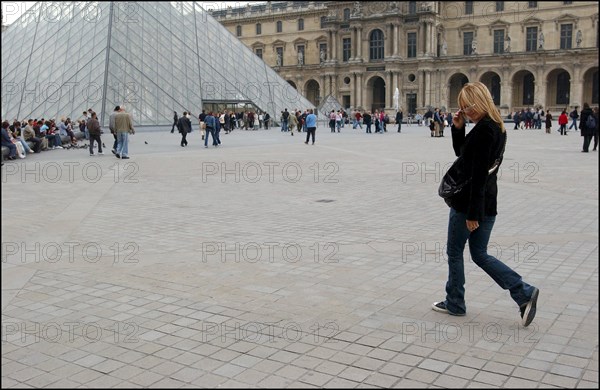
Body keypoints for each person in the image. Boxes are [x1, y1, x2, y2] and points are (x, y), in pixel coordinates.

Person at [433, 82, 539, 327]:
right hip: (487, 203)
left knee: (454, 252)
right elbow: (464, 155)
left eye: (468, 106)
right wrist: (458, 129)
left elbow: (478, 175)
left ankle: (455, 303)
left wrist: (472, 214)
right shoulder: (496, 127)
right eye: (462, 107)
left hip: (469, 205)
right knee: (480, 254)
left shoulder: (484, 131)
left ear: (480, 101)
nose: (465, 111)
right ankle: (523, 293)